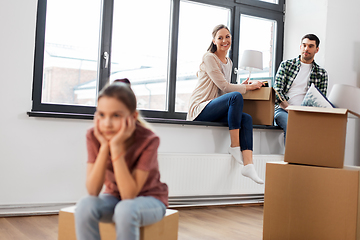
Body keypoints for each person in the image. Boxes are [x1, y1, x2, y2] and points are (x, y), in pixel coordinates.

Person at [75, 79, 168, 240]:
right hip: (114, 198)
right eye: (102, 115)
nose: (107, 123)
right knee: (84, 205)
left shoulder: (148, 139)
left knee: (125, 209)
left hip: (151, 200)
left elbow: (129, 195)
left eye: (116, 115)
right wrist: (104, 146)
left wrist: (116, 147)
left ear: (133, 117)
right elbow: (92, 191)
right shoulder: (94, 135)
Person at [187, 24, 264, 184]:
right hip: (200, 108)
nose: (224, 40)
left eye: (227, 37)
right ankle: (234, 146)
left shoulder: (228, 62)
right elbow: (225, 87)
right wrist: (248, 87)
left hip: (214, 106)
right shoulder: (209, 57)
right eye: (220, 37)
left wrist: (243, 85)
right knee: (236, 96)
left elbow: (224, 92)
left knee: (247, 119)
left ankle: (248, 165)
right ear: (214, 41)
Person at [274, 34, 328, 144]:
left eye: (310, 46)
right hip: (283, 110)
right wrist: (289, 108)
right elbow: (277, 91)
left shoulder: (321, 73)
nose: (306, 49)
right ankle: (290, 159)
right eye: (304, 45)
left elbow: (320, 99)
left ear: (317, 49)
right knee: (291, 125)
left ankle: (306, 160)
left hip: (306, 113)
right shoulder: (286, 65)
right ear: (300, 47)